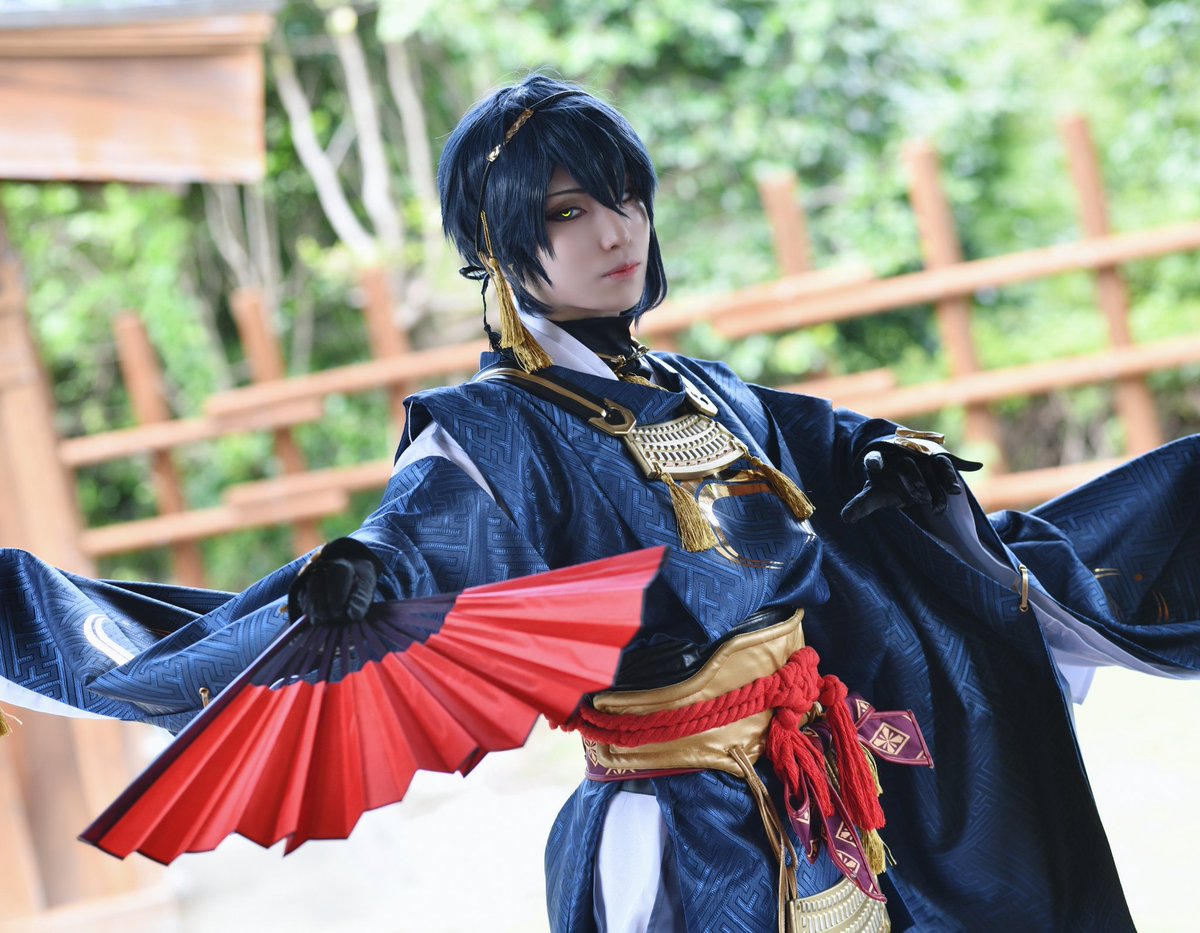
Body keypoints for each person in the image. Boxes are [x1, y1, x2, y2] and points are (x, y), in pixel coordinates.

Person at [2, 74, 1198, 932]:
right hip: (672, 822)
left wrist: (891, 460)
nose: (615, 232)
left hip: (823, 783)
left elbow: (825, 448)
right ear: (498, 242)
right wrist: (367, 570)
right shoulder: (489, 431)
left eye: (624, 198)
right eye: (567, 212)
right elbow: (420, 535)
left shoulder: (703, 388)